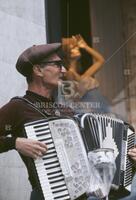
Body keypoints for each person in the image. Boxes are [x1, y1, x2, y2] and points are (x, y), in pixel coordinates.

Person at [0, 43, 87, 200]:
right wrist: (15, 143)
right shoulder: (18, 107)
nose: (64, 70)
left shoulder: (66, 112)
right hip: (46, 194)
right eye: (58, 65)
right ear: (38, 70)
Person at [61, 34, 111, 114]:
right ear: (67, 52)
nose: (77, 48)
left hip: (98, 109)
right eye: (73, 47)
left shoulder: (81, 75)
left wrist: (85, 47)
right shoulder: (69, 73)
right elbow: (72, 99)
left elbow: (100, 61)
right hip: (90, 111)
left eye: (76, 47)